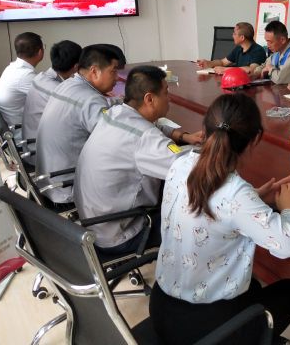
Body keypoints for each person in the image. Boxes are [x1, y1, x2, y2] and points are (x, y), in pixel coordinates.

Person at [150, 93, 290, 345]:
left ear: (204, 129)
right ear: (255, 139)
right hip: (205, 332)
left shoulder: (180, 164)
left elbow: (210, 204)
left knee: (254, 287)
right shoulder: (235, 193)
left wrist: (254, 197)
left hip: (161, 309)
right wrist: (288, 210)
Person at [74, 65, 203, 254]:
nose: (169, 99)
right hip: (120, 235)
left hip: (92, 222)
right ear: (149, 99)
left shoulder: (115, 114)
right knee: (200, 216)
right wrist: (212, 150)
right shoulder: (145, 138)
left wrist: (183, 137)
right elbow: (191, 171)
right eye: (166, 93)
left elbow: (150, 129)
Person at [35, 44, 123, 203]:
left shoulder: (67, 85)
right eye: (114, 71)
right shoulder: (90, 100)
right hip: (68, 185)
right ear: (94, 71)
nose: (117, 78)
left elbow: (89, 106)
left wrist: (118, 102)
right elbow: (118, 140)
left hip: (49, 179)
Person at [22, 40, 82, 166]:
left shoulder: (40, 77)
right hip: (43, 154)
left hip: (31, 145)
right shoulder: (58, 91)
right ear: (76, 66)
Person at [0, 32, 44, 139]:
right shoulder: (26, 76)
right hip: (23, 135)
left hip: (10, 129)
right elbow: (53, 101)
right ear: (40, 52)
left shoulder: (11, 68)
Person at [253, 20, 290, 84]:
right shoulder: (278, 51)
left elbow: (280, 79)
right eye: (267, 41)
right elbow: (265, 65)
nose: (268, 45)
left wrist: (270, 68)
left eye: (270, 42)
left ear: (282, 40)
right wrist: (255, 74)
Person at [197, 22, 267, 74]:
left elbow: (252, 70)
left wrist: (225, 70)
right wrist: (209, 63)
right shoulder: (239, 48)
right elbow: (223, 62)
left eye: (234, 33)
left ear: (242, 37)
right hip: (238, 83)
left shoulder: (258, 51)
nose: (232, 35)